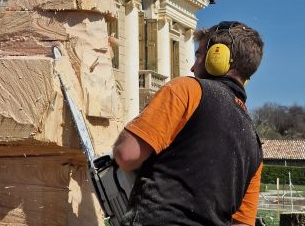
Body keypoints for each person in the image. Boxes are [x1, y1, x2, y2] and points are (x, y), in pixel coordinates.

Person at [113, 21, 264, 226]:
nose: (193, 66)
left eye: (199, 55)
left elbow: (126, 155)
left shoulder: (188, 90)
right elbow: (243, 223)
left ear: (217, 57)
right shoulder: (254, 142)